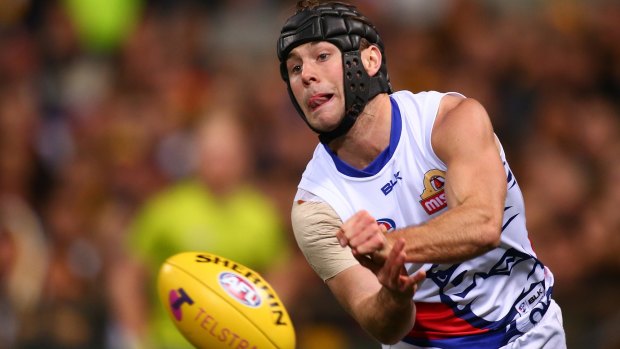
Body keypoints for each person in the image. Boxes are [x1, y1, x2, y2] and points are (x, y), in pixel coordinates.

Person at [277, 1, 566, 348]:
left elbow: (482, 223)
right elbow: (381, 324)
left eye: (321, 56)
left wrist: (389, 245)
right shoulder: (315, 206)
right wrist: (395, 296)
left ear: (370, 60)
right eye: (294, 68)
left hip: (528, 335)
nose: (306, 75)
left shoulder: (452, 119)